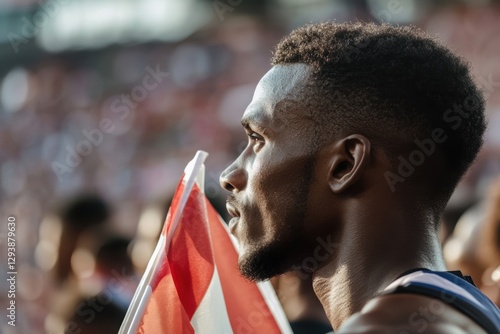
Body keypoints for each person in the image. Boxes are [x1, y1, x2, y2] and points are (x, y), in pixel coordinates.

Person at [219, 22, 500, 333]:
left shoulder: (386, 328)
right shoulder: (462, 310)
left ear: (345, 164)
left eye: (258, 139)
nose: (229, 176)